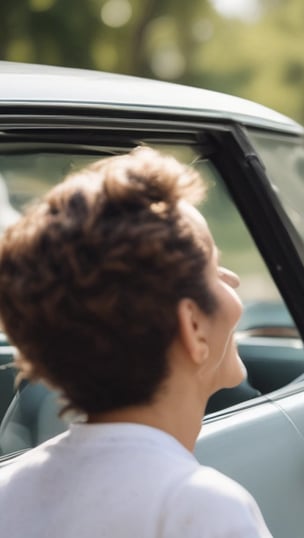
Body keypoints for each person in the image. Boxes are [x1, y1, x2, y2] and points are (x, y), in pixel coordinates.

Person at [0, 147, 273, 537]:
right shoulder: (199, 507)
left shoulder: (10, 491)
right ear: (193, 326)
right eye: (213, 266)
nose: (233, 280)